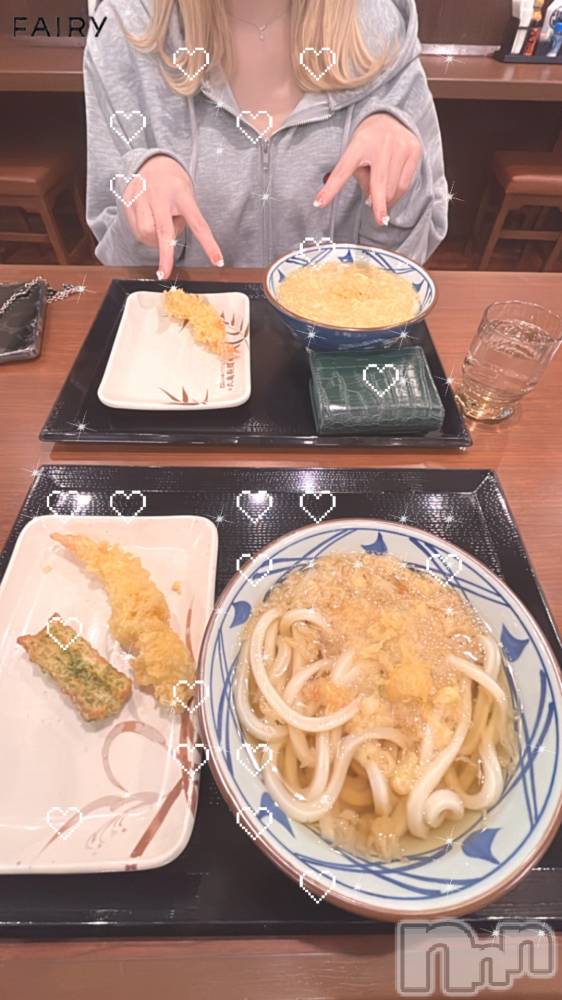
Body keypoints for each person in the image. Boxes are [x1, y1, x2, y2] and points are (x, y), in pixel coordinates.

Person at [84, 0, 448, 278]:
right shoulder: (124, 28)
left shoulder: (381, 28)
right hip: (184, 338)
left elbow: (405, 264)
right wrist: (144, 214)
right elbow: (121, 266)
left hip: (341, 339)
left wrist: (400, 187)